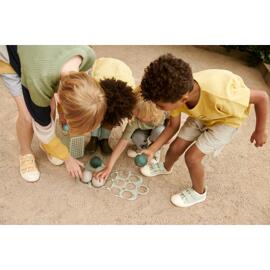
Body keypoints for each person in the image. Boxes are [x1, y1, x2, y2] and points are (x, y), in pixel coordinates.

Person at [139, 53, 269, 207]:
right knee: (176, 146)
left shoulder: (223, 96)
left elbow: (262, 97)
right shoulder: (177, 92)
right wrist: (152, 150)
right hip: (203, 114)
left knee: (192, 157)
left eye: (160, 106)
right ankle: (166, 167)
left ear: (183, 99)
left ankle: (198, 192)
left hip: (227, 120)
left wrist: (260, 130)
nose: (157, 108)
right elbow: (172, 126)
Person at [0, 45, 106, 182]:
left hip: (39, 57)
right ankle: (25, 152)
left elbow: (69, 93)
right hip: (11, 53)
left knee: (48, 109)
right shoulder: (39, 80)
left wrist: (62, 113)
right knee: (27, 116)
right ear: (59, 98)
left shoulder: (88, 57)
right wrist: (67, 158)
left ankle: (49, 145)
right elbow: (43, 128)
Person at [94, 88, 167, 186]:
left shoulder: (163, 112)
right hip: (143, 132)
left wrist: (164, 141)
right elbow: (123, 142)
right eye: (135, 114)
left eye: (141, 116)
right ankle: (142, 150)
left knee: (160, 132)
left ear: (153, 113)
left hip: (158, 131)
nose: (137, 118)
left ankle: (155, 150)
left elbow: (171, 128)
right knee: (136, 136)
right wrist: (109, 167)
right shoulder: (135, 120)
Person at [85, 57, 137, 155]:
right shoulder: (94, 83)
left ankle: (104, 138)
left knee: (112, 118)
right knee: (95, 113)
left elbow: (126, 110)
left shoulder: (130, 90)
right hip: (101, 71)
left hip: (121, 71)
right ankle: (94, 138)